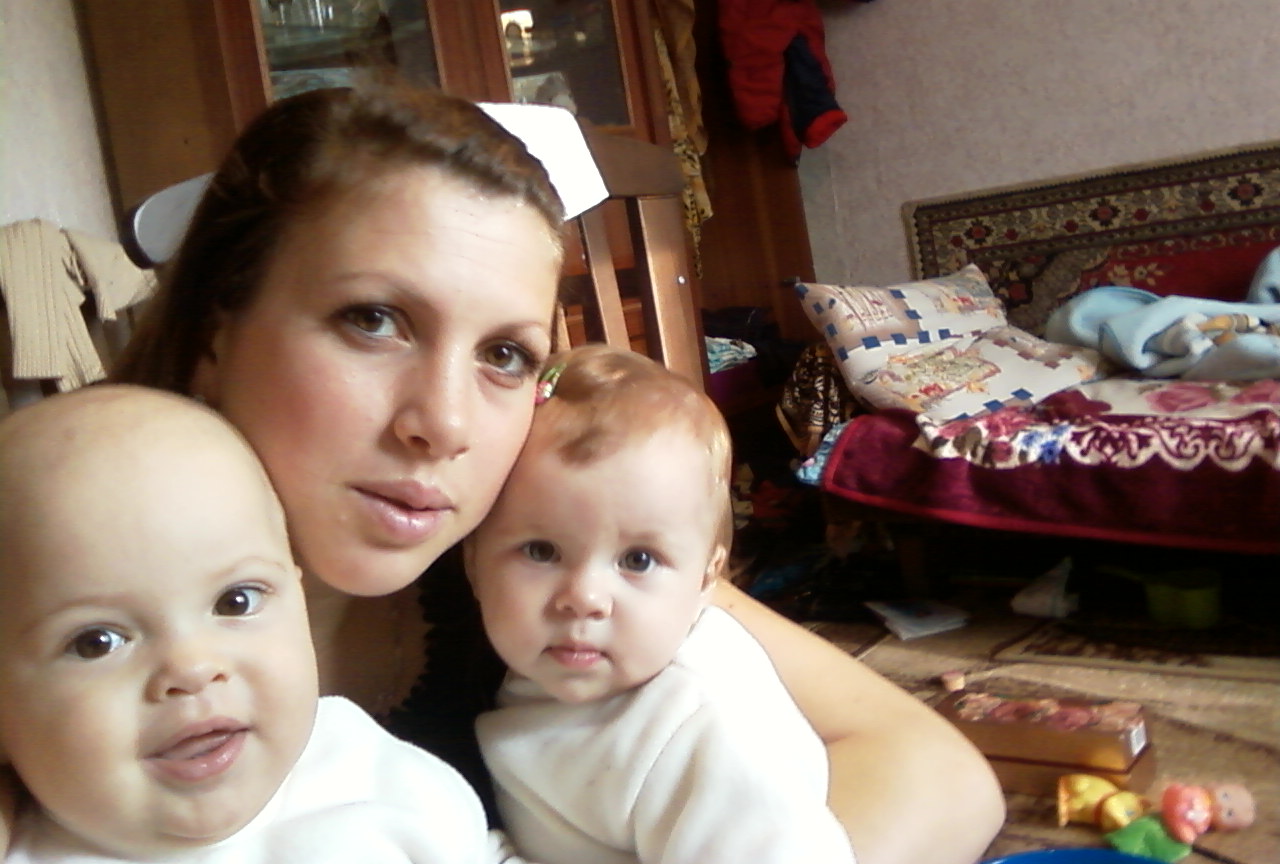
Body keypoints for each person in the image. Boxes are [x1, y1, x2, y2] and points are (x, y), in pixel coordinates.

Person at [0, 78, 1002, 864]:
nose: (442, 425)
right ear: (217, 329)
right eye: (373, 320)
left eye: (505, 355)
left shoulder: (538, 542)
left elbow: (935, 773)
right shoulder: (43, 588)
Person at [0, 385, 523, 863]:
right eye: (96, 642)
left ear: (297, 595)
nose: (193, 668)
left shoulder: (373, 775)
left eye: (236, 602)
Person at [467, 344, 855, 863]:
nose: (584, 599)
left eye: (638, 560)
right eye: (541, 551)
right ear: (473, 563)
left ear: (705, 580)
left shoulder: (702, 731)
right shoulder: (541, 675)